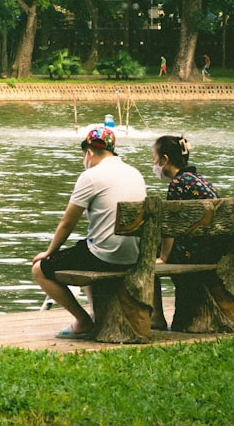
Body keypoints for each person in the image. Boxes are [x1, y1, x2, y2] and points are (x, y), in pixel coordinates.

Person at [31, 127, 147, 338]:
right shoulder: (134, 173)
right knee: (86, 247)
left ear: (90, 153)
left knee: (40, 270)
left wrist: (48, 253)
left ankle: (83, 321)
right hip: (133, 255)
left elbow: (67, 223)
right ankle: (97, 315)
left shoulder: (91, 176)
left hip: (106, 257)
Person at [149, 135, 220, 330]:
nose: (154, 164)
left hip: (195, 252)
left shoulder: (178, 183)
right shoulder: (199, 179)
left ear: (165, 159)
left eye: (154, 158)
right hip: (213, 248)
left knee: (146, 254)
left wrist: (163, 257)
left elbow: (170, 227)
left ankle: (156, 317)